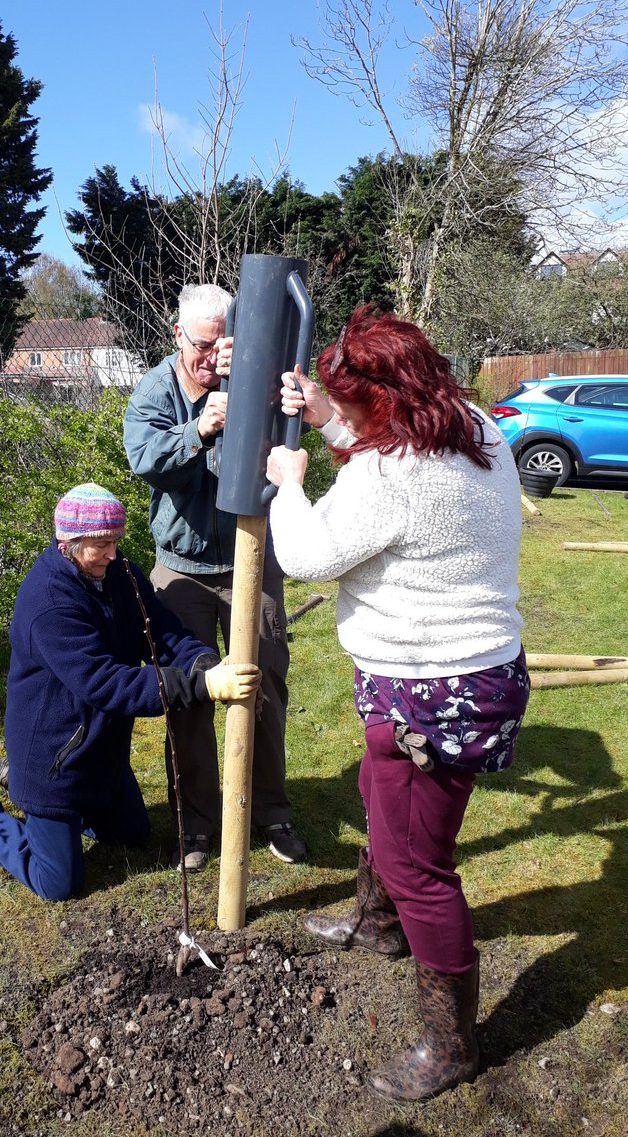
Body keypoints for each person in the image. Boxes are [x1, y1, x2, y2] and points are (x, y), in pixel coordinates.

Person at [265, 304, 530, 1102]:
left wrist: (290, 484)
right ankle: (376, 926)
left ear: (383, 403)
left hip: (431, 687)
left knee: (420, 866)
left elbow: (311, 552)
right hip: (465, 674)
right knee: (382, 801)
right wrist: (329, 417)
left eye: (348, 407)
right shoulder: (474, 426)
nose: (337, 419)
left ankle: (453, 1044)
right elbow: (387, 455)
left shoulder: (389, 477)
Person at [0, 483, 260, 901]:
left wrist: (201, 662)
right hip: (54, 761)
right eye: (102, 545)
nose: (114, 554)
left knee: (133, 836)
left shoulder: (121, 575)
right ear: (68, 544)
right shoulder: (49, 604)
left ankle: (19, 784)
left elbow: (161, 630)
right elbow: (105, 682)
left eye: (115, 541)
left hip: (101, 755)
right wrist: (198, 687)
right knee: (58, 884)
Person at [123, 283, 306, 872]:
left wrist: (249, 392)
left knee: (266, 686)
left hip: (255, 558)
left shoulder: (255, 375)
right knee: (190, 696)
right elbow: (144, 459)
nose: (209, 357)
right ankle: (197, 825)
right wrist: (199, 430)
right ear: (178, 335)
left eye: (220, 344)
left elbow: (290, 443)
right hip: (182, 572)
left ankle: (271, 811)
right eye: (200, 345)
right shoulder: (156, 391)